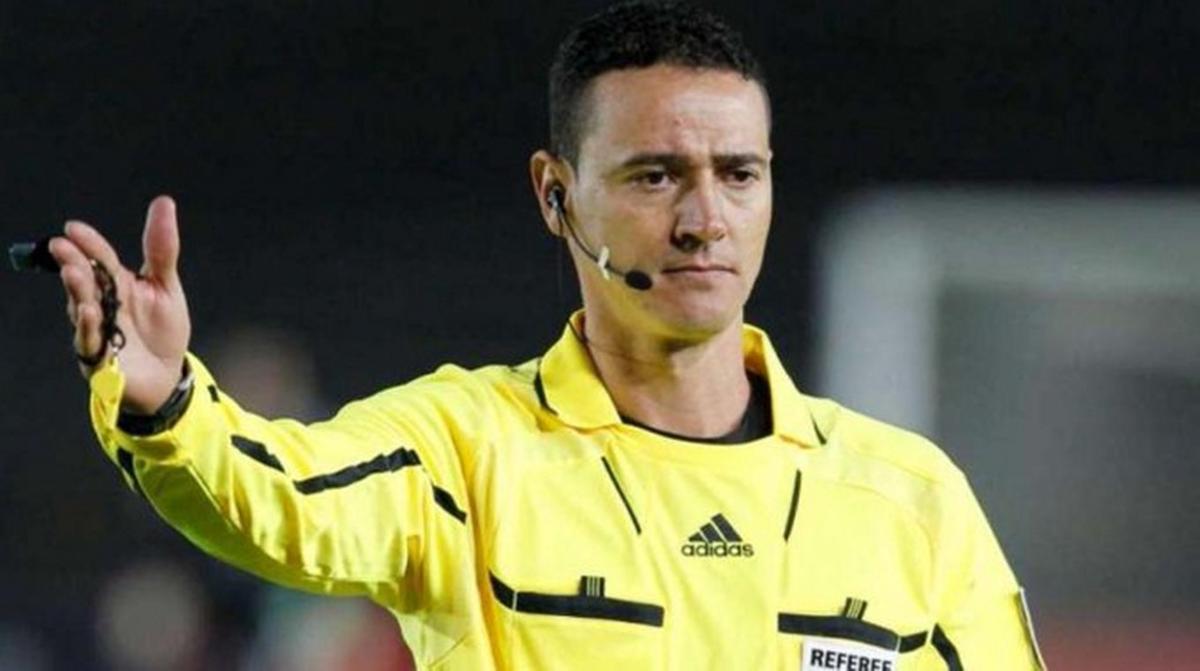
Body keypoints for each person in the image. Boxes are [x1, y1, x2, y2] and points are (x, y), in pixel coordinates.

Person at [46, 2, 1044, 669]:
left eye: (739, 174)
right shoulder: (466, 450)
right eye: (656, 175)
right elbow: (275, 494)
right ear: (556, 194)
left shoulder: (910, 499)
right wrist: (166, 402)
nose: (706, 219)